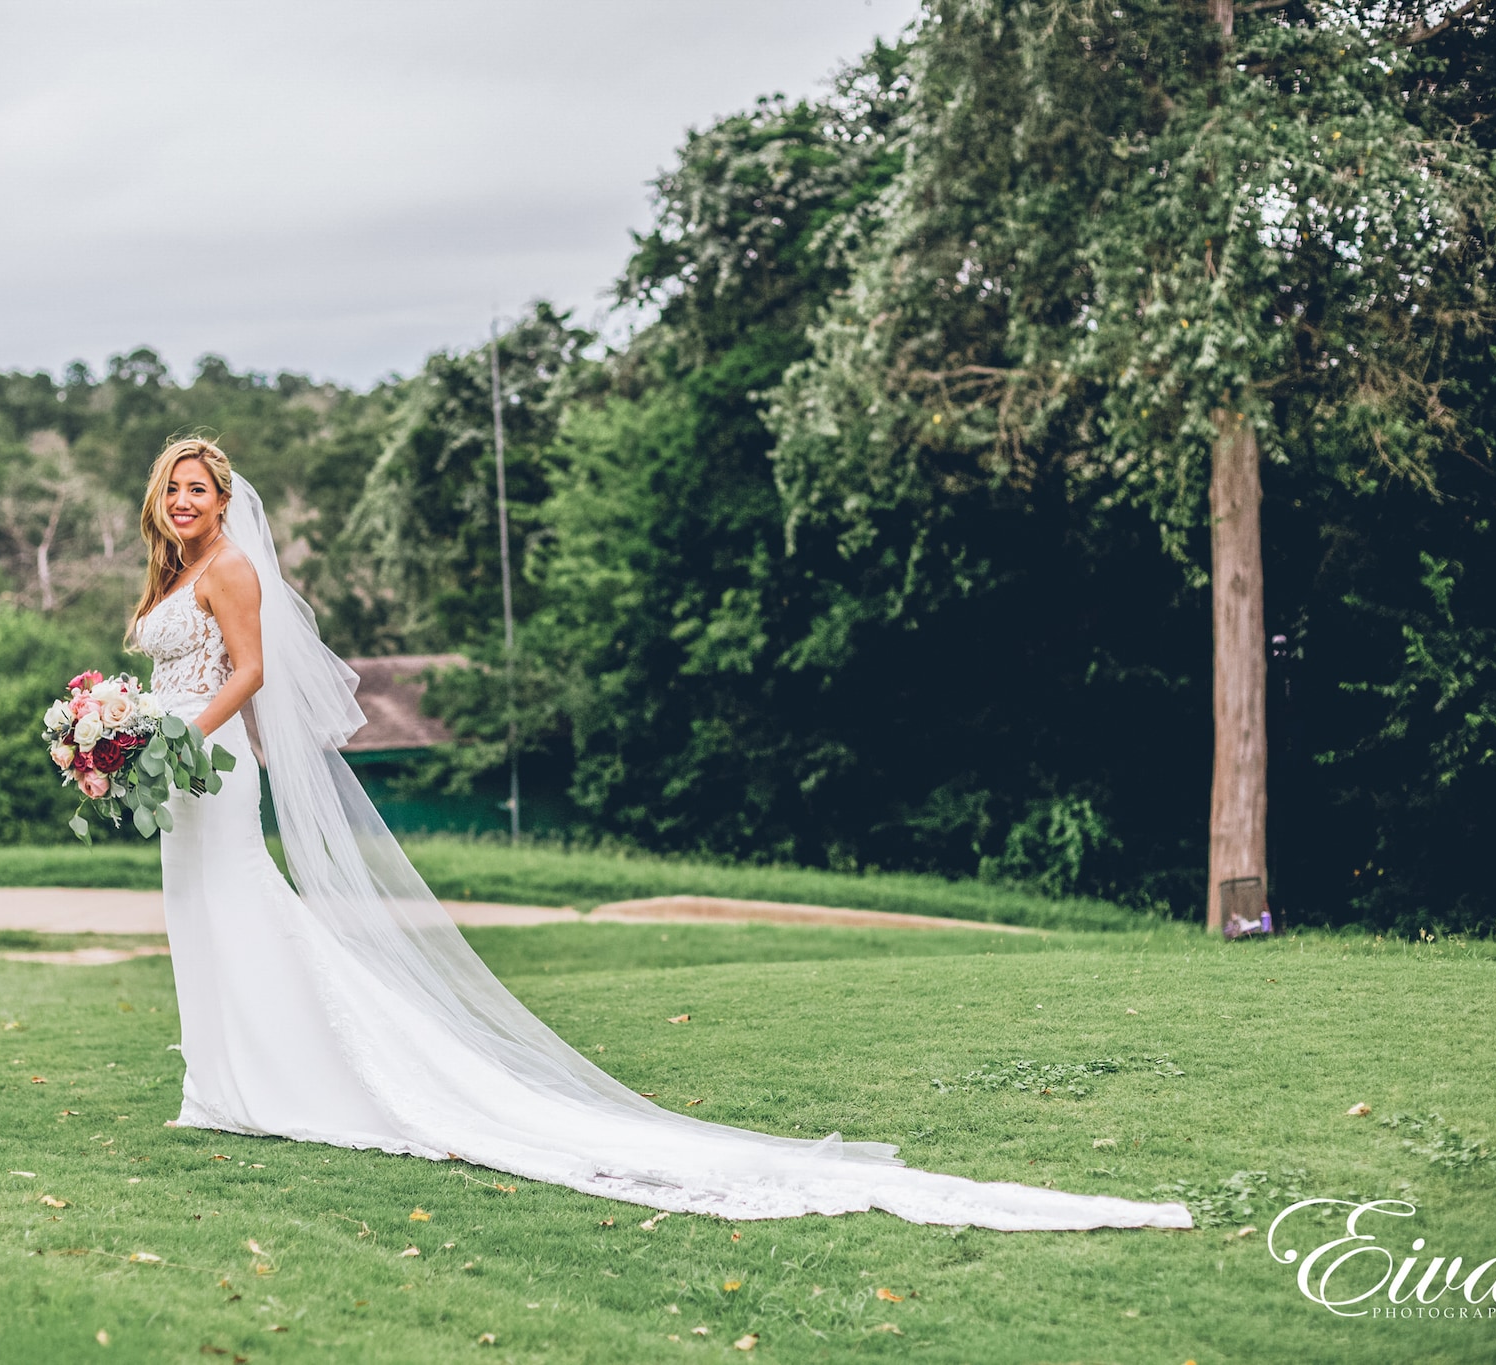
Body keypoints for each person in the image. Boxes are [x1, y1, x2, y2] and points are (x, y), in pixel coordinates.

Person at [130, 435, 1191, 1231]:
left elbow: (252, 675)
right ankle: (220, 1084)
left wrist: (173, 735)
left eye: (198, 488)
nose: (182, 502)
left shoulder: (229, 569)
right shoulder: (170, 576)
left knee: (240, 908)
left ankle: (255, 1085)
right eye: (171, 489)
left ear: (224, 500)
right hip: (178, 766)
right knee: (203, 917)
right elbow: (183, 668)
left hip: (208, 763)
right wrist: (123, 735)